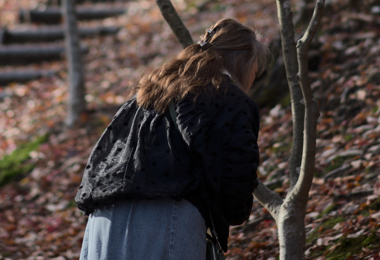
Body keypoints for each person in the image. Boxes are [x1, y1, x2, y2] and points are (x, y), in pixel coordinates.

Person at [76, 19, 268, 260]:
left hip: (102, 224)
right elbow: (236, 180)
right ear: (242, 61)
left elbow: (102, 156)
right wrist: (234, 210)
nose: (253, 77)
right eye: (255, 69)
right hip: (164, 221)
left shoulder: (151, 91)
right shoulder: (229, 99)